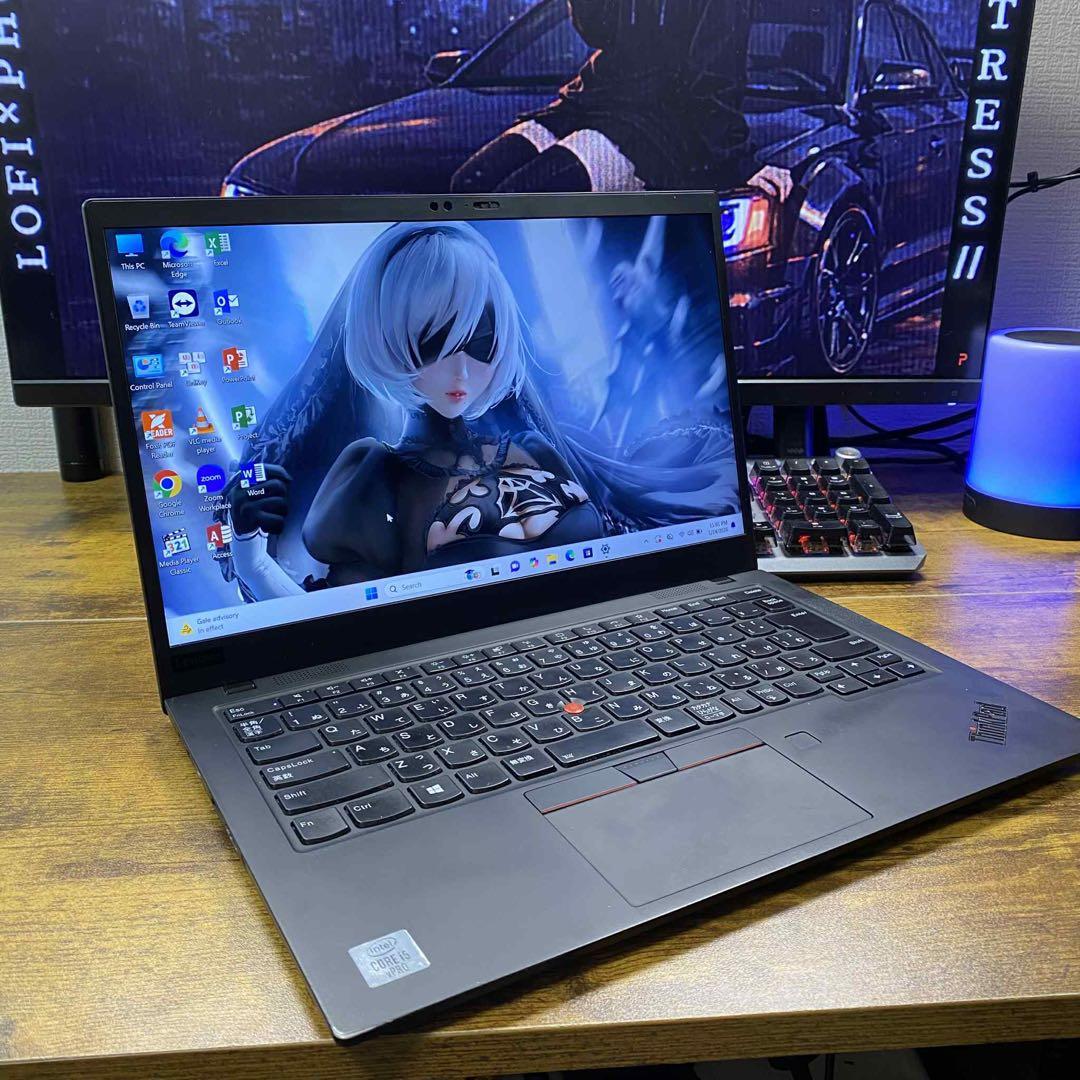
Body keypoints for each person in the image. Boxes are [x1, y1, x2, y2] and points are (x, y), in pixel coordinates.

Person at [226, 222, 602, 599]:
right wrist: (253, 563)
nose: (461, 371)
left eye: (482, 342)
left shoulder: (534, 448)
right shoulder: (377, 476)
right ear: (386, 339)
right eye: (434, 343)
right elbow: (334, 621)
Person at [451, 0, 793, 201]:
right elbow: (598, 32)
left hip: (658, 120)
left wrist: (739, 162)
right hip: (595, 97)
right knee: (470, 185)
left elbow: (716, 74)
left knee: (526, 197)